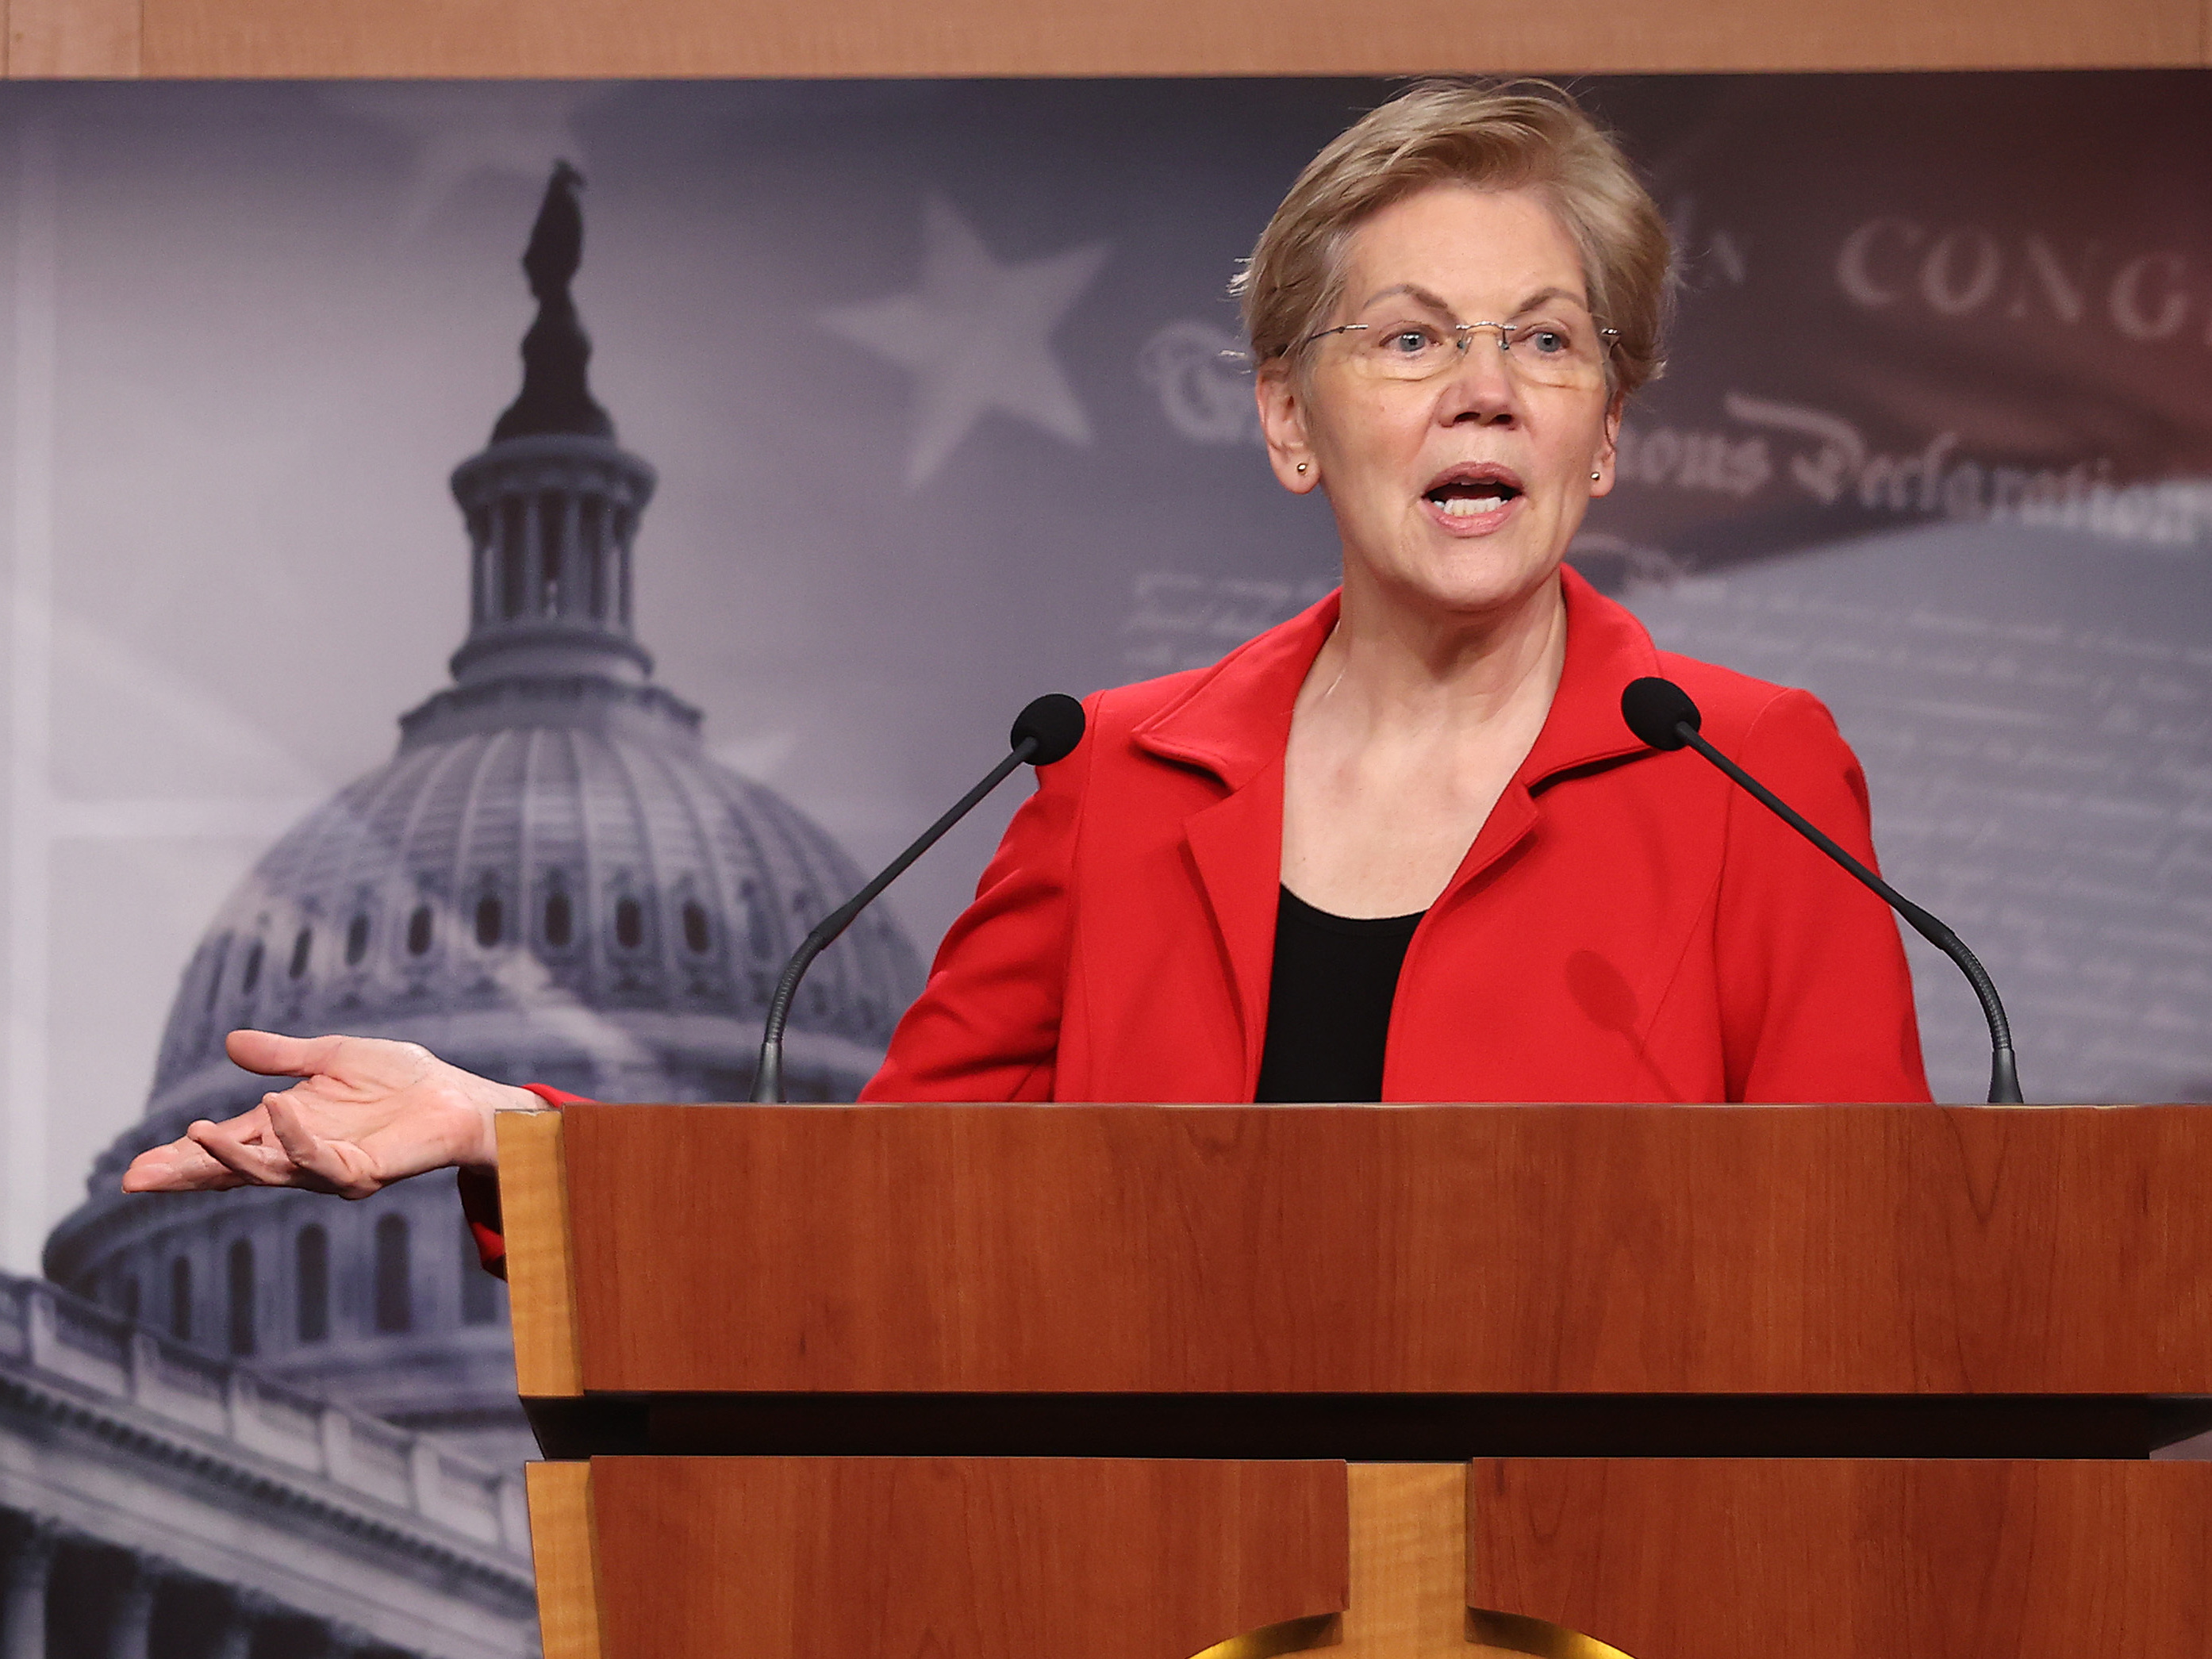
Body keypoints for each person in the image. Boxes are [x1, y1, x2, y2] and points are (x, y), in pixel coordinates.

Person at [121, 80, 1930, 1217]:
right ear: (1289, 424)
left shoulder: (1748, 773)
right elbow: (885, 1212)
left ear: (1604, 433)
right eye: (1406, 339)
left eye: (1544, 341)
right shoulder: (1113, 777)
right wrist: (501, 1129)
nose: (1481, 385)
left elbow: (1876, 1274)